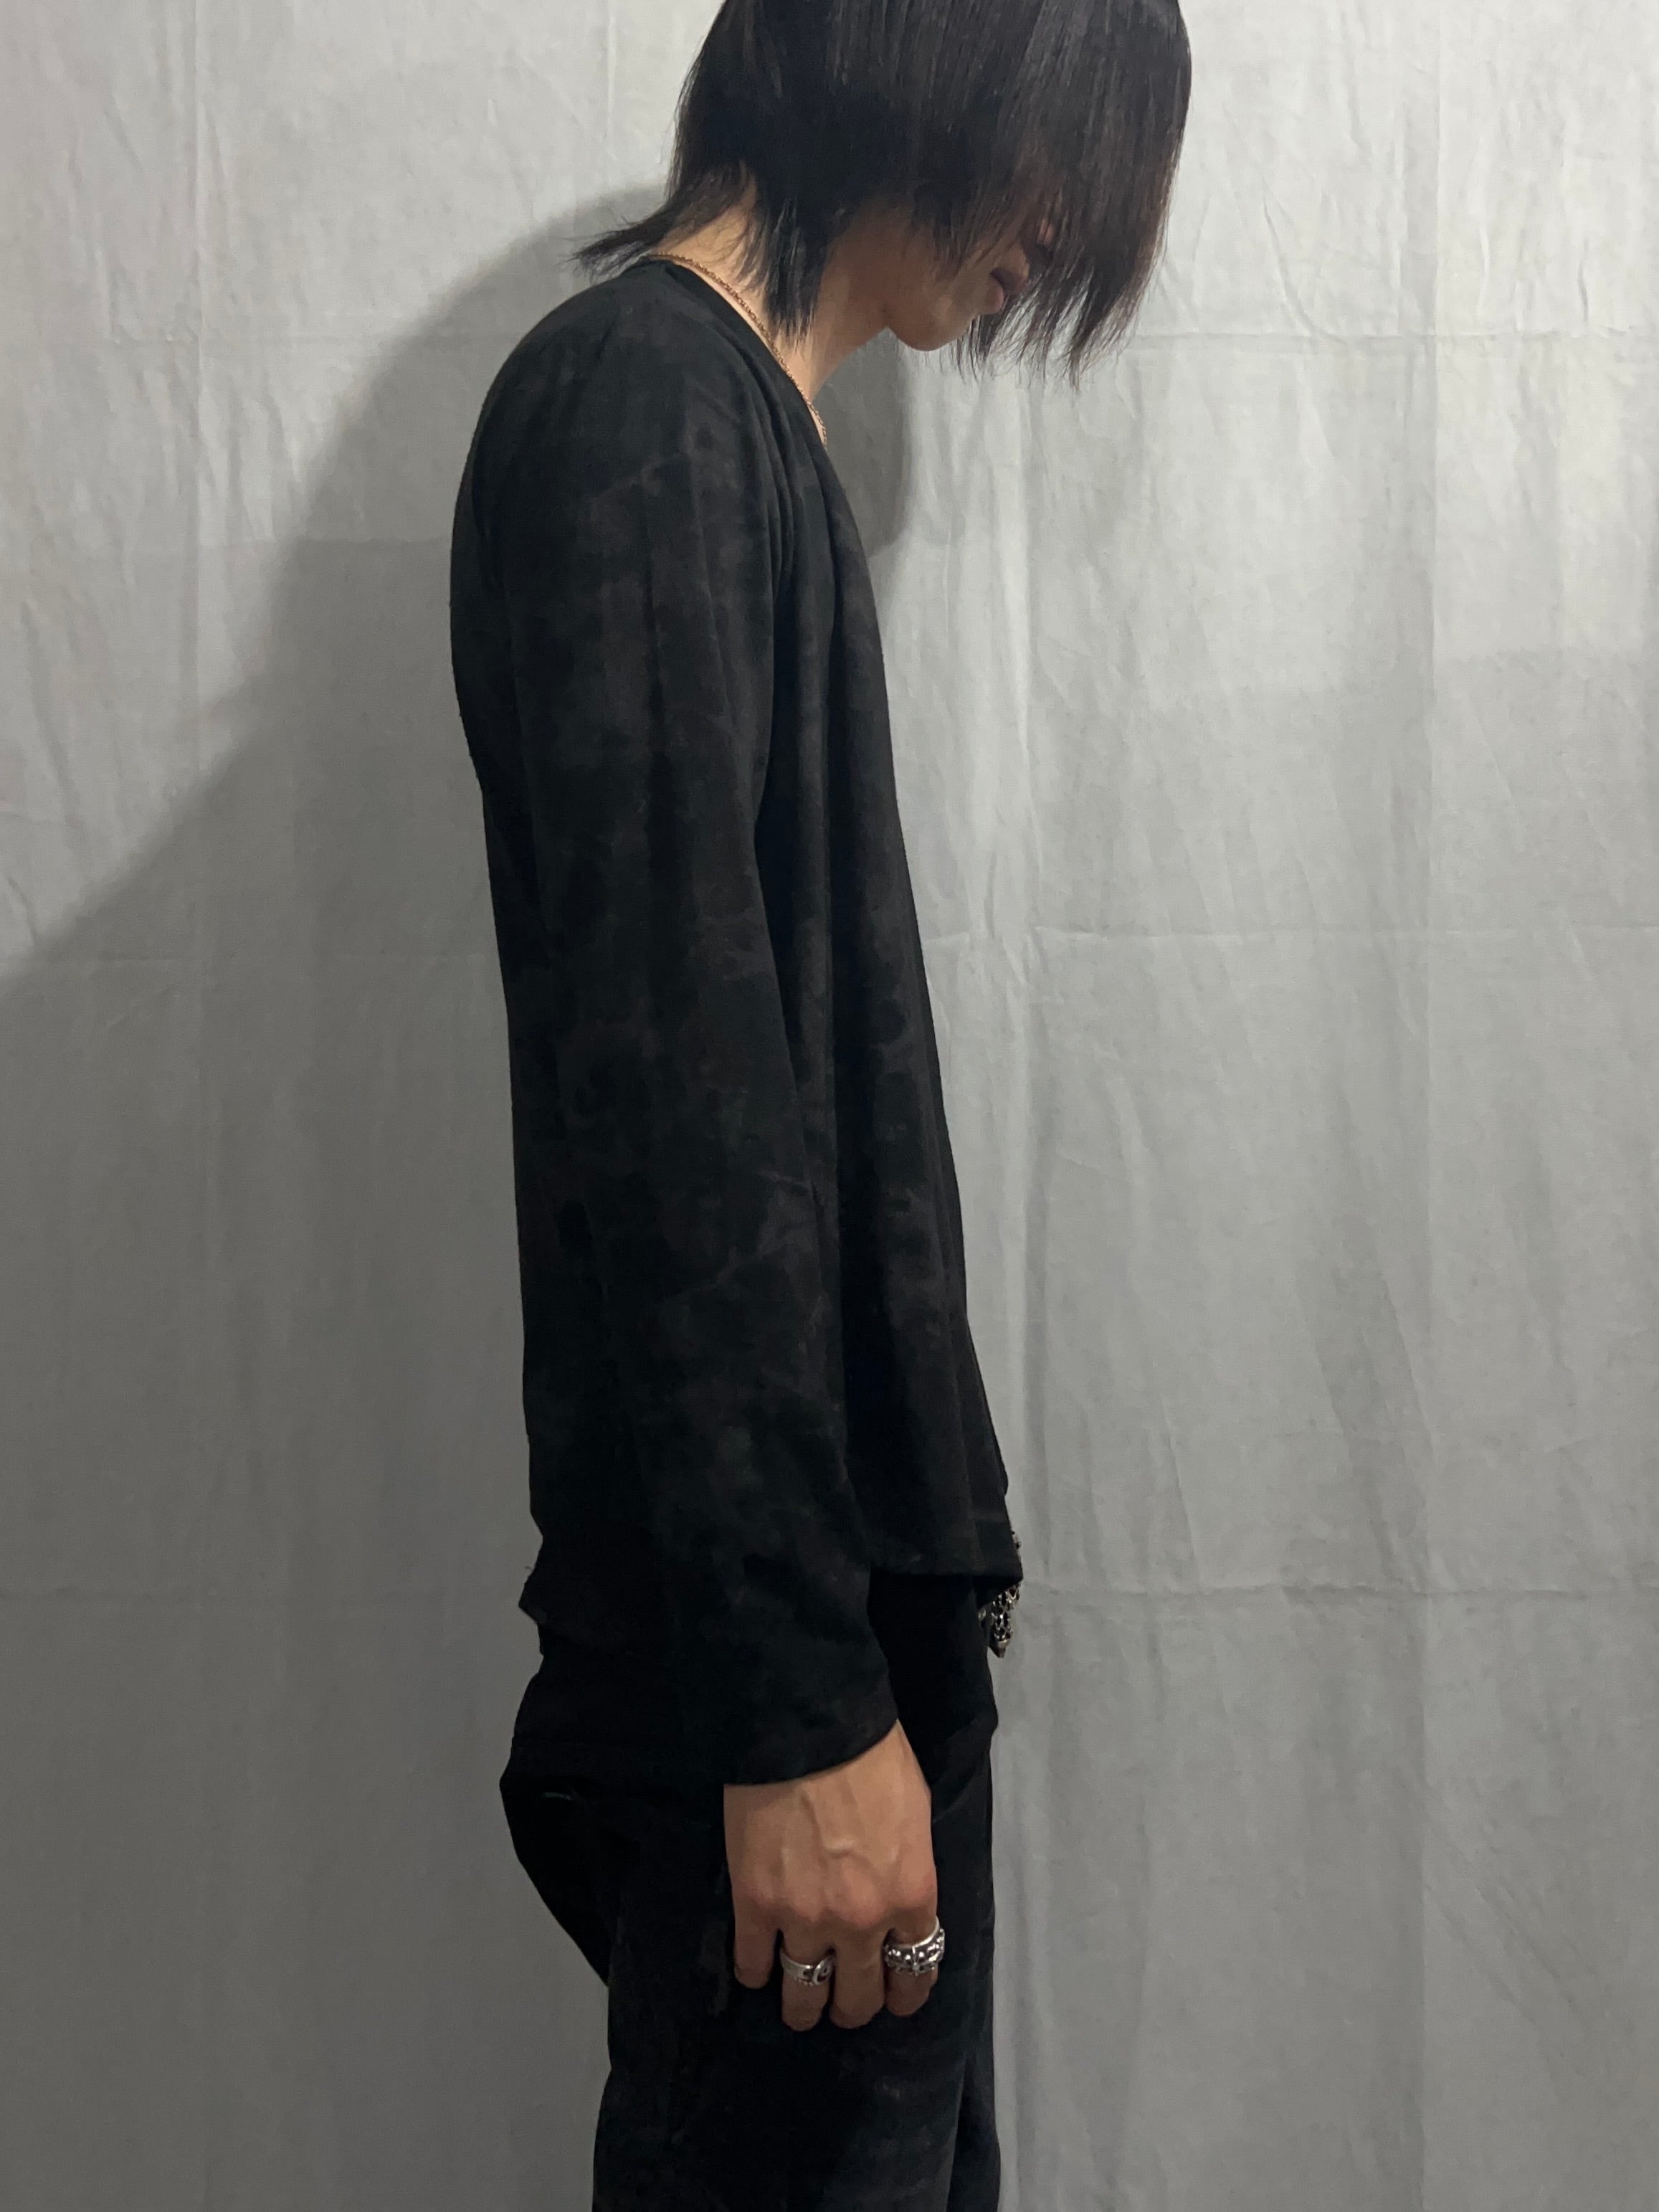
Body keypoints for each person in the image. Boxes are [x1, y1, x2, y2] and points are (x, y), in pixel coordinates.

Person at [447, 1, 1189, 2201]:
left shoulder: (732, 432)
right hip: (778, 1706)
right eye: (1056, 152)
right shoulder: (640, 414)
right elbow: (675, 1097)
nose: (1052, 232)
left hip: (842, 1669)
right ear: (928, 67)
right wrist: (793, 1704)